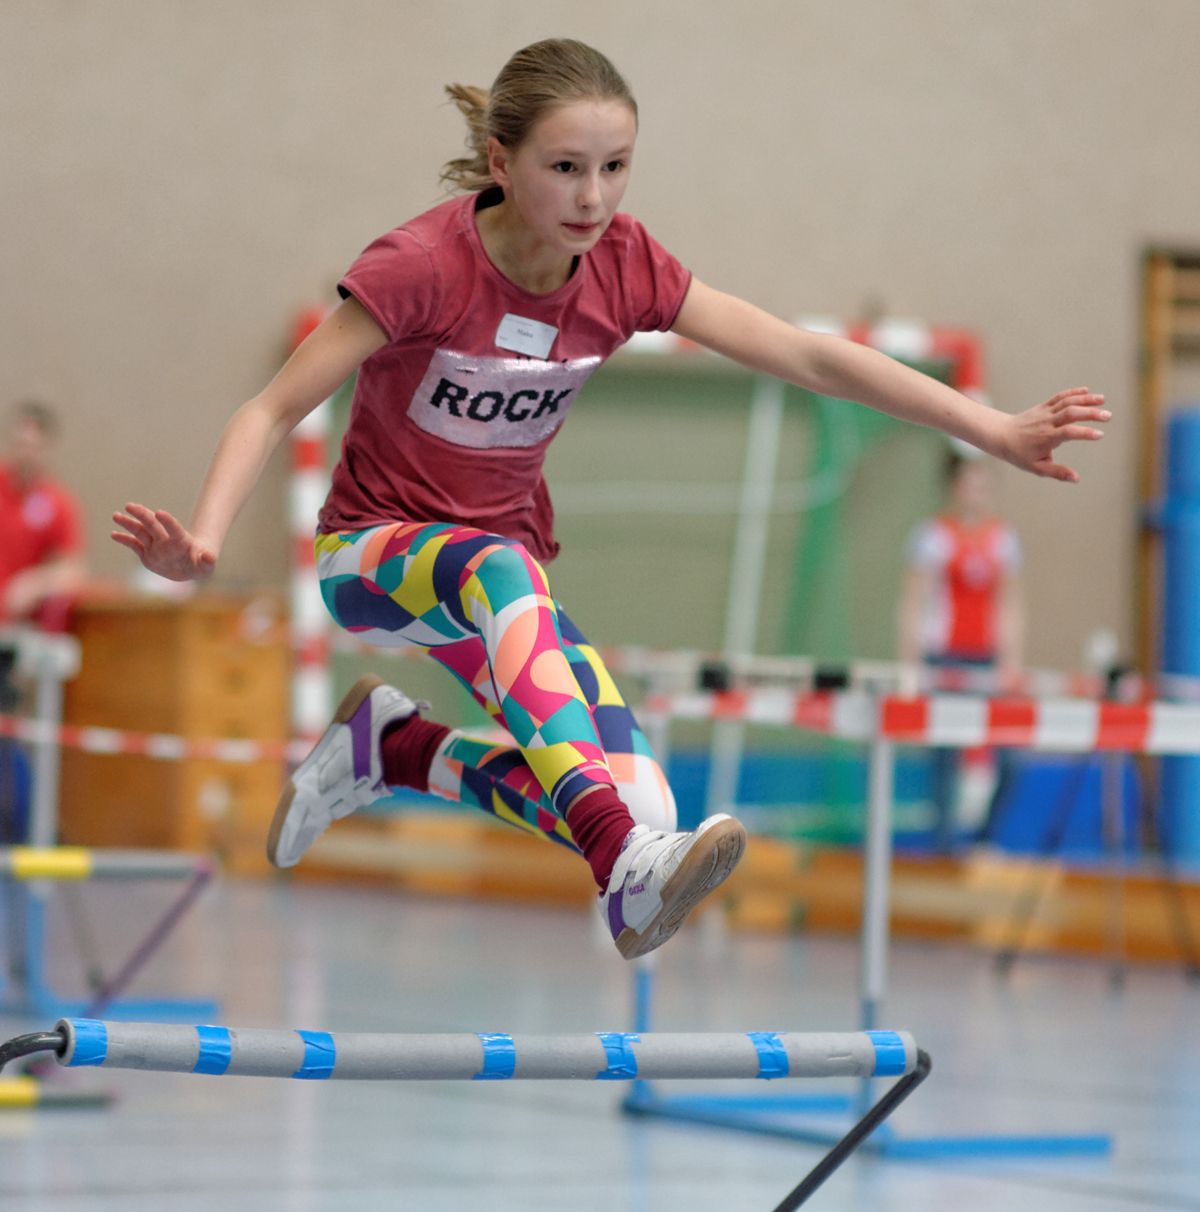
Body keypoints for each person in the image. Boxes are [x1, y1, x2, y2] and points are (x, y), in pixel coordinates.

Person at [111, 38, 1108, 959]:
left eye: (615, 167)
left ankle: (400, 750)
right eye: (565, 168)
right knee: (515, 602)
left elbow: (808, 356)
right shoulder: (423, 268)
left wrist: (992, 428)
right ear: (501, 162)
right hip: (374, 558)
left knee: (649, 805)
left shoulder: (625, 268)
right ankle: (618, 865)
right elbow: (272, 407)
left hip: (500, 590)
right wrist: (202, 539)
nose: (593, 197)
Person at [898, 447, 1023, 851]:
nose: (976, 493)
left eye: (983, 485)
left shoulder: (1003, 539)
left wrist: (1011, 662)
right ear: (953, 487)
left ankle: (985, 839)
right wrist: (911, 665)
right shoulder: (932, 536)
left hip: (986, 661)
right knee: (944, 758)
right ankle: (943, 846)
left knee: (1010, 757)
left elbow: (1010, 604)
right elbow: (913, 602)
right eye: (969, 484)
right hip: (944, 660)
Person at [0, 400, 86, 632]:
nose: (25, 454)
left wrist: (35, 583)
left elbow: (73, 570)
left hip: (18, 627)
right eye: (20, 444)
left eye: (34, 447)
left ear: (47, 449)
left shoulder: (58, 504)